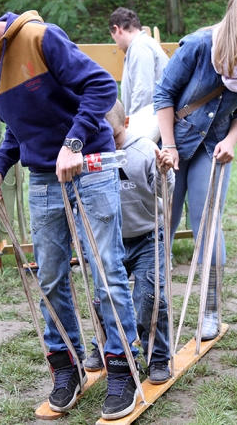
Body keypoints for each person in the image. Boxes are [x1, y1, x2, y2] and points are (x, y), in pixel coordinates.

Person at [0, 0, 140, 419]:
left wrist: (75, 143)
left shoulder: (40, 37)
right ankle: (67, 369)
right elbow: (15, 129)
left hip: (92, 164)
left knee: (105, 271)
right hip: (43, 177)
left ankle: (121, 367)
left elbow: (103, 88)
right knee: (48, 277)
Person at [153, 0, 237, 340]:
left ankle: (209, 311)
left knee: (208, 224)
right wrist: (170, 146)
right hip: (173, 142)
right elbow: (163, 95)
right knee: (163, 224)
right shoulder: (197, 45)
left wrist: (230, 141)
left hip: (213, 147)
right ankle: (151, 305)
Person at [84, 100, 175, 384]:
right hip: (108, 238)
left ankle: (157, 356)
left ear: (126, 124)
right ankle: (105, 344)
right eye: (100, 134)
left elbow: (165, 192)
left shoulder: (144, 149)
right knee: (103, 298)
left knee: (150, 298)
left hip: (147, 236)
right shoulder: (91, 150)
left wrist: (164, 171)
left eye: (112, 135)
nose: (107, 141)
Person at [109, 7, 169, 116]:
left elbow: (143, 93)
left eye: (114, 39)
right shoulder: (142, 44)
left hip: (146, 123)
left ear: (117, 29)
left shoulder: (139, 46)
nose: (117, 46)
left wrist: (132, 125)